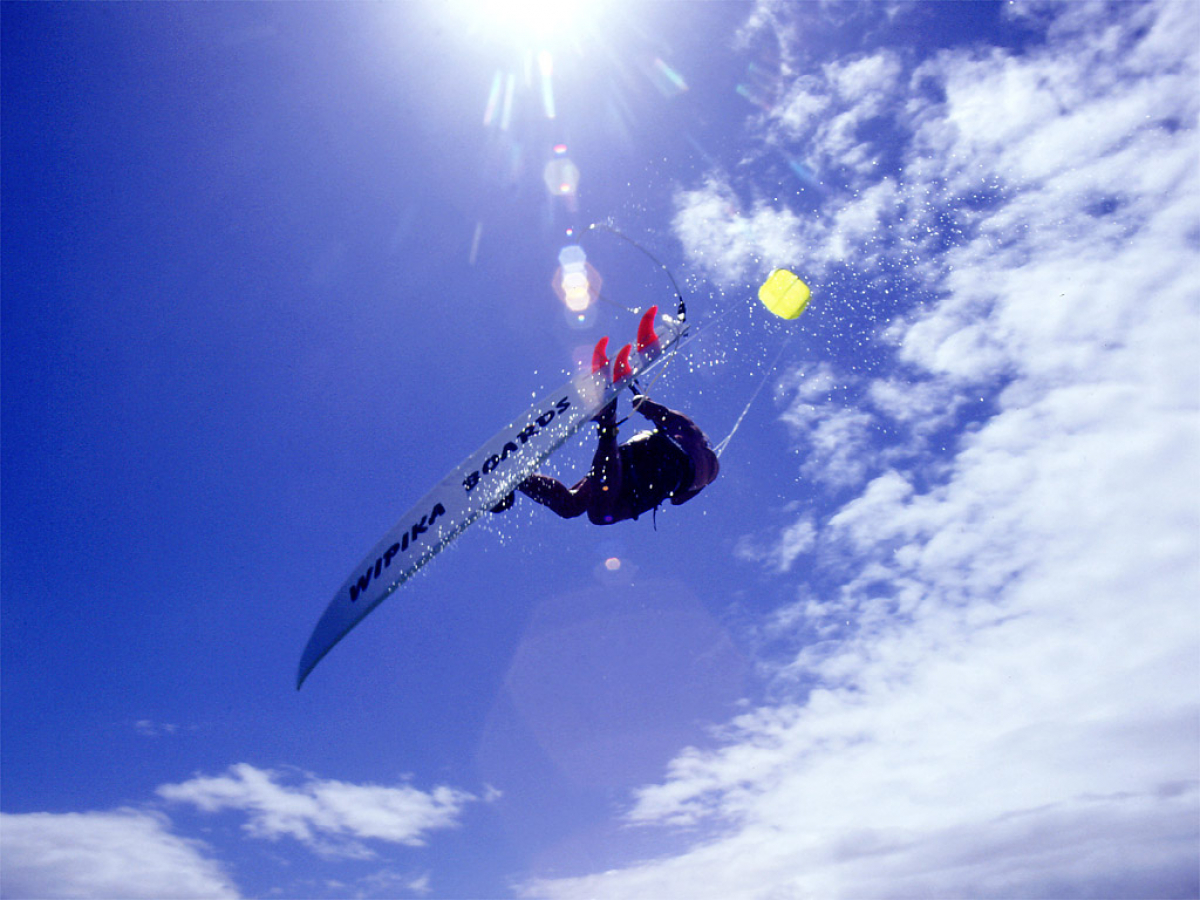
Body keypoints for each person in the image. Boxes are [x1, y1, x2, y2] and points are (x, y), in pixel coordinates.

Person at [492, 394, 719, 524]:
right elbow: (677, 500)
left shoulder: (687, 426)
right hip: (666, 470)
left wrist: (642, 402)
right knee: (600, 515)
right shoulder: (710, 470)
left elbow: (646, 406)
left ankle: (517, 479)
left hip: (636, 451)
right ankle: (607, 423)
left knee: (571, 504)